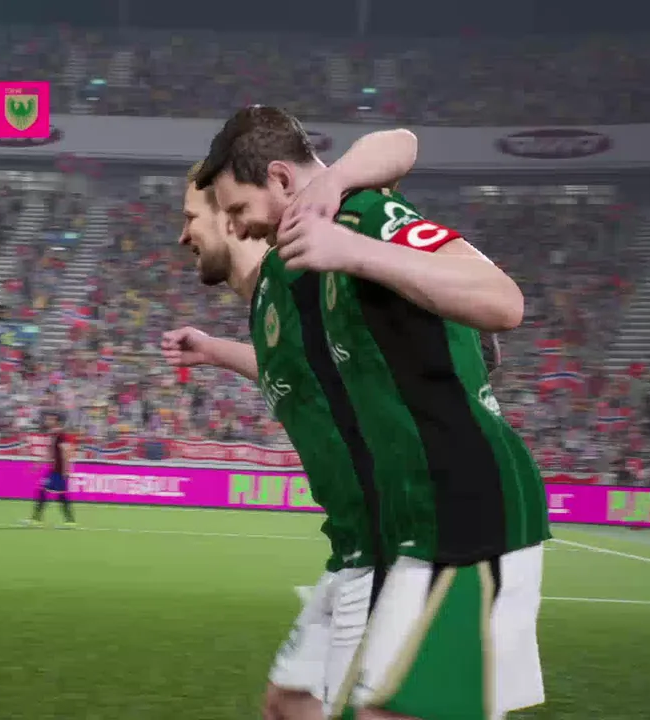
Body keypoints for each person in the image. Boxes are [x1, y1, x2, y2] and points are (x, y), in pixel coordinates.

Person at [190, 105, 549, 720]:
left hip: (469, 511)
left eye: (238, 208)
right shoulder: (298, 268)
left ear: (280, 179)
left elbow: (503, 301)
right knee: (299, 705)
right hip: (413, 523)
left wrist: (355, 247)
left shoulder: (363, 217)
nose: (237, 225)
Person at [163, 126, 420, 720]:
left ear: (230, 218)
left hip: (388, 540)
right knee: (287, 703)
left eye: (194, 218)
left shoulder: (302, 264)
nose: (183, 235)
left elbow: (401, 146)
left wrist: (335, 180)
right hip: (351, 545)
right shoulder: (269, 303)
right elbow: (301, 372)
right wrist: (213, 349)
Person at [24, 415, 77, 528]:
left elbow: (66, 453)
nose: (47, 421)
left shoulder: (62, 436)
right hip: (54, 470)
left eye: (50, 419)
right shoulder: (53, 435)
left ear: (56, 422)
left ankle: (69, 521)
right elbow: (50, 453)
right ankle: (68, 521)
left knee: (56, 495)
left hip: (59, 471)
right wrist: (38, 464)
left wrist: (66, 470)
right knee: (48, 493)